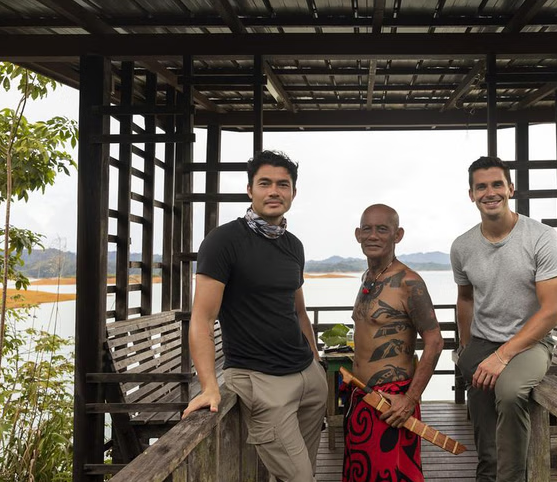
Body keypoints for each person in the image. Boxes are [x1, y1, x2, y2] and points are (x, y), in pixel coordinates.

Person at [182, 150, 327, 482]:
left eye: (283, 184)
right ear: (250, 190)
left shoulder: (293, 245)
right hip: (262, 381)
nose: (274, 191)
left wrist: (316, 362)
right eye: (265, 183)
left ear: (292, 192)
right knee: (300, 478)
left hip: (308, 378)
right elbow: (202, 319)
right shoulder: (224, 241)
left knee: (306, 470)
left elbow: (299, 311)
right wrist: (208, 386)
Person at [451, 156, 557, 482]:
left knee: (510, 391)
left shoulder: (542, 237)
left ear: (511, 189)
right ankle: (487, 476)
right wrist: (466, 348)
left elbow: (551, 311)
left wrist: (502, 355)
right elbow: (465, 298)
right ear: (471, 194)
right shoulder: (462, 246)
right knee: (480, 398)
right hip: (484, 339)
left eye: (497, 184)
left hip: (533, 340)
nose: (490, 192)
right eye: (481, 186)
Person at [343, 204, 445, 482]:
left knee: (393, 475)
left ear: (397, 235)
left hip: (393, 402)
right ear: (357, 234)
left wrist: (409, 400)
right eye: (367, 229)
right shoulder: (368, 277)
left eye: (382, 229)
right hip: (361, 397)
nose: (373, 236)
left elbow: (435, 342)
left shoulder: (410, 283)